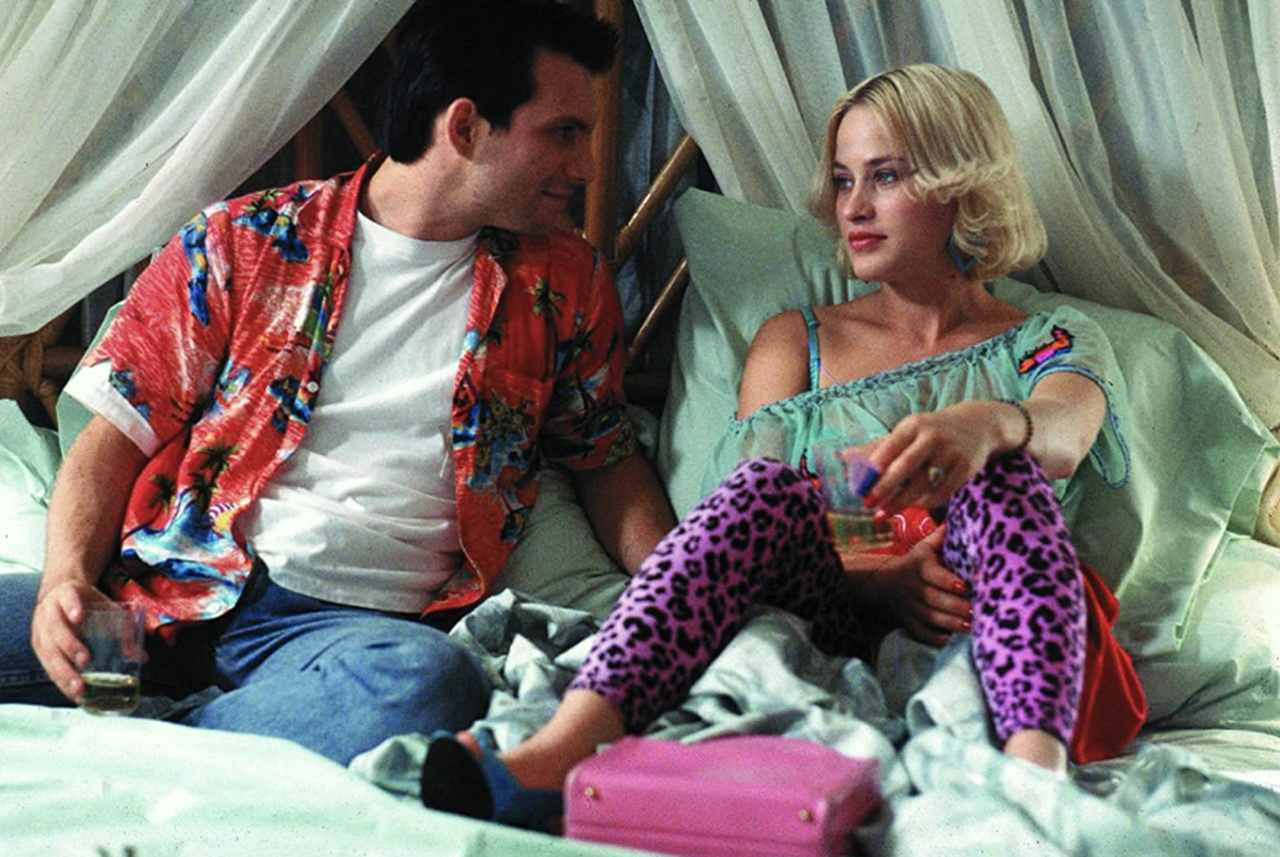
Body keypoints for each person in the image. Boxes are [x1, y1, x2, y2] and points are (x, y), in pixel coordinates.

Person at [417, 63, 1144, 828]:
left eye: (885, 176)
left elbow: (1066, 430)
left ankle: (1031, 783)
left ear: (959, 183)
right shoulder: (796, 339)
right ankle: (565, 744)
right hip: (831, 611)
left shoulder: (1047, 339)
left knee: (1006, 475)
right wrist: (881, 578)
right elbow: (742, 526)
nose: (853, 206)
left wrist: (988, 425)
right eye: (843, 180)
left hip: (991, 623)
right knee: (766, 492)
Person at [0, 0, 675, 766]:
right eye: (564, 133)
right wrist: (65, 584)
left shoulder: (565, 286)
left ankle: (142, 745)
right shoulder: (244, 241)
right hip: (159, 598)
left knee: (432, 684)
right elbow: (112, 436)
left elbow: (606, 460)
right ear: (464, 127)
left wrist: (684, 591)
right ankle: (198, 734)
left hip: (345, 638)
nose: (586, 167)